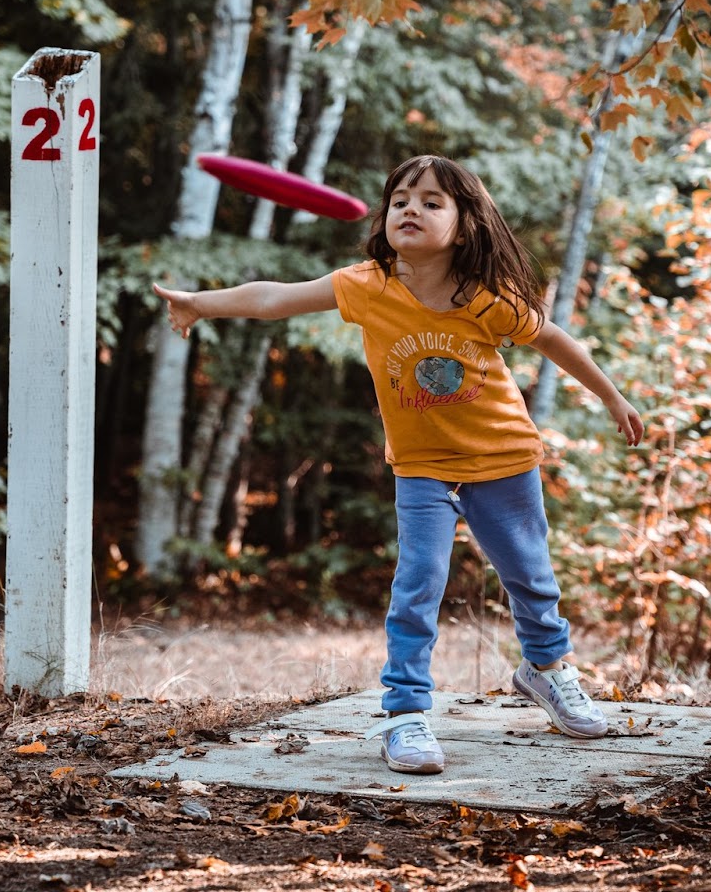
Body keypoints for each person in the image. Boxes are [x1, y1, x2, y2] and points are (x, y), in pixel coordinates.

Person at [153, 155, 644, 775]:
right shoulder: (366, 286)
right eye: (401, 199)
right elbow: (275, 299)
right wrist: (200, 302)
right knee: (419, 583)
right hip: (421, 466)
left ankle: (545, 671)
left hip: (504, 459)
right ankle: (406, 714)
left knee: (530, 577)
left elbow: (553, 340)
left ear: (465, 225)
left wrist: (612, 397)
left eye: (432, 201)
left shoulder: (485, 298)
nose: (411, 209)